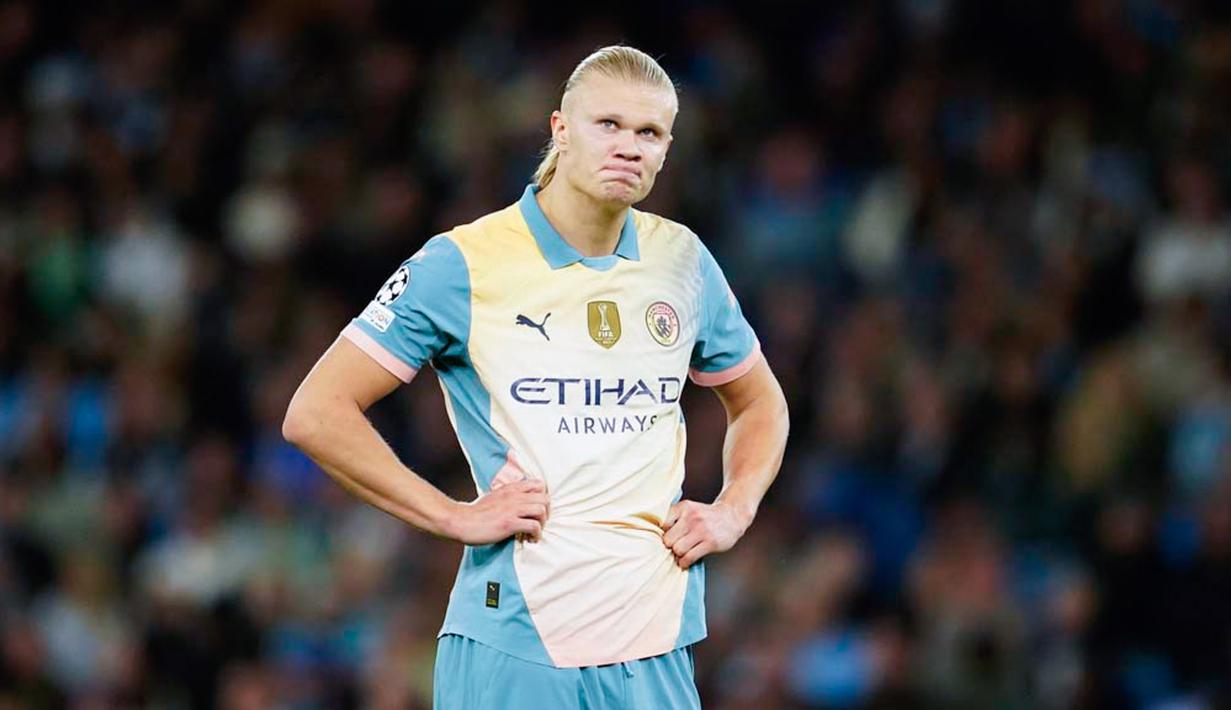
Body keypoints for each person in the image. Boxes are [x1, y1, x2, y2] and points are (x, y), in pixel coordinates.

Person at [282, 45, 789, 709]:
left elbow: (759, 403)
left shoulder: (681, 260)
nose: (628, 147)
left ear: (666, 149)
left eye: (649, 133)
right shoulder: (462, 262)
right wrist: (448, 515)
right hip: (518, 643)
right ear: (559, 129)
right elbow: (316, 412)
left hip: (655, 644)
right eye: (607, 124)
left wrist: (733, 509)